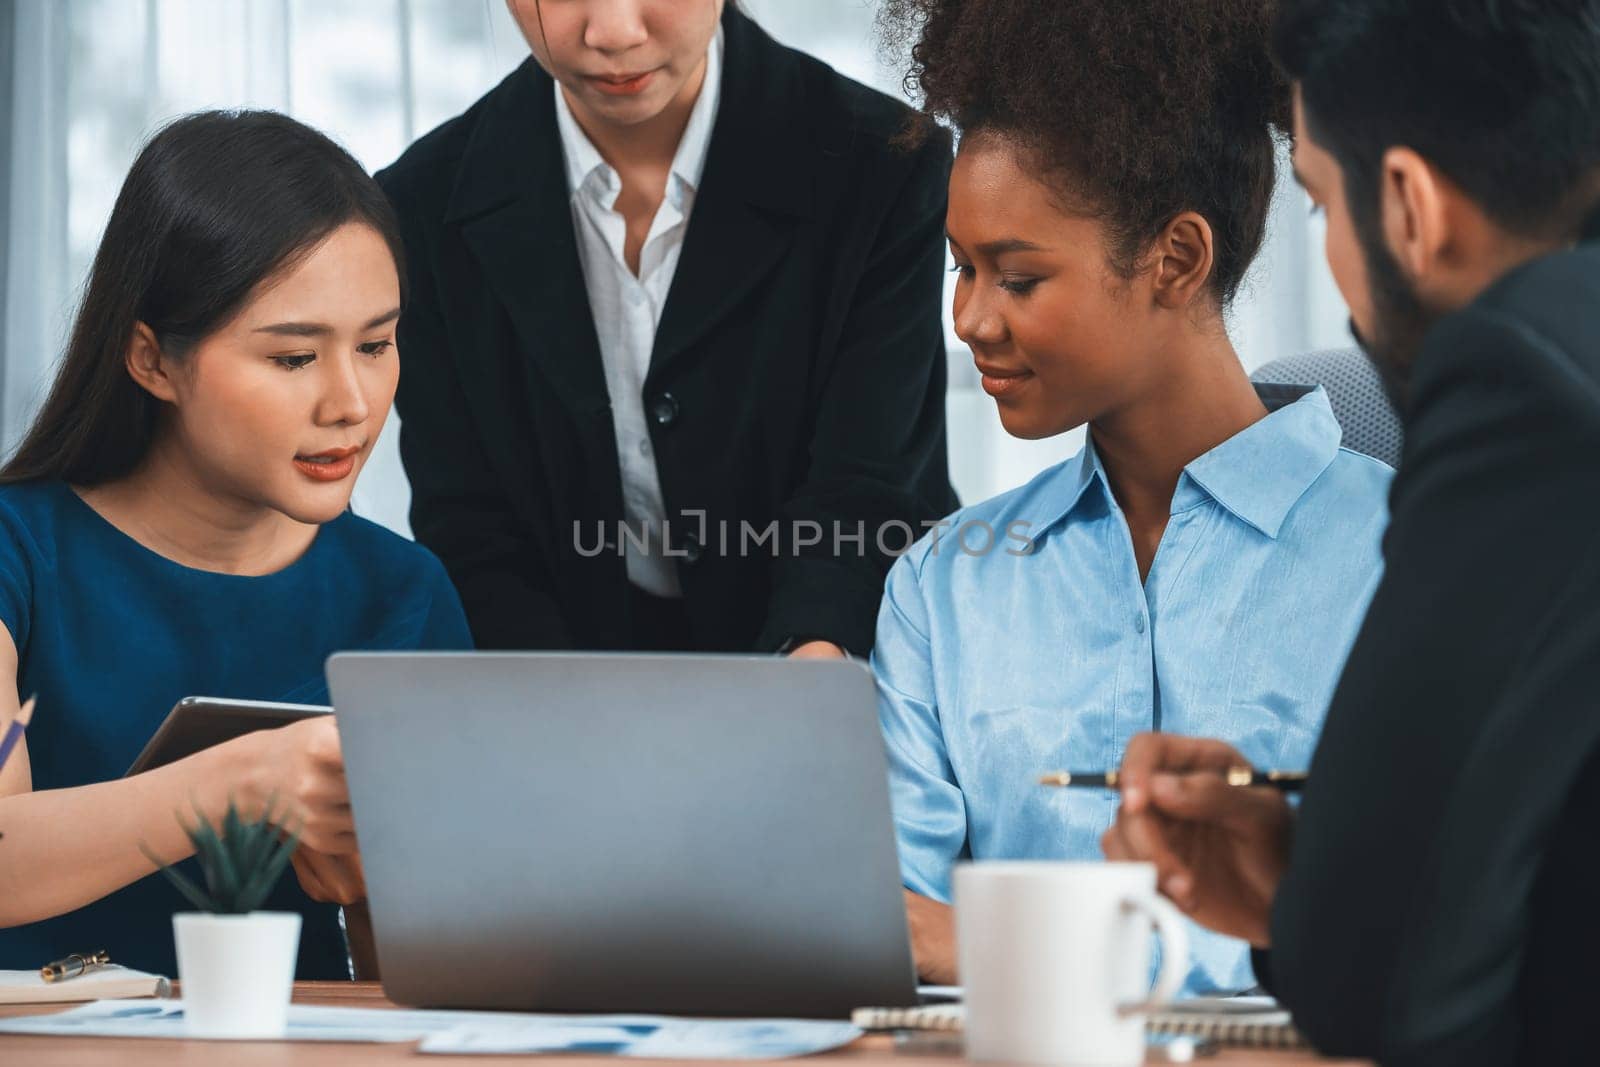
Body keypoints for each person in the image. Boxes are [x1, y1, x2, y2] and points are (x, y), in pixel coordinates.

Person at [1102, 1, 1600, 1062]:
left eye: (1322, 203)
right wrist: (1312, 880)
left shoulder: (1521, 378)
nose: (1330, 254)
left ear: (1411, 206)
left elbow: (1377, 984)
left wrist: (1326, 903)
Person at [871, 0, 1393, 994]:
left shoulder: (1405, 557)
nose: (969, 317)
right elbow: (897, 931)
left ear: (1177, 259)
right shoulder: (942, 589)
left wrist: (1015, 949)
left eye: (1017, 277)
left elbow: (1421, 929)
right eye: (961, 267)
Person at [0, 110, 472, 979]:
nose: (352, 403)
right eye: (293, 358)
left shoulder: (406, 591)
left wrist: (372, 891)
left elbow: (444, 976)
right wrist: (244, 781)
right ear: (151, 359)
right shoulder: (18, 552)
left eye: (376, 344)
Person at [374, 0, 957, 658]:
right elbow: (472, 527)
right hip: (571, 677)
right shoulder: (418, 208)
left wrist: (810, 678)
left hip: (847, 647)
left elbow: (864, 488)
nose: (613, 33)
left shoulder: (883, 163)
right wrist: (559, 716)